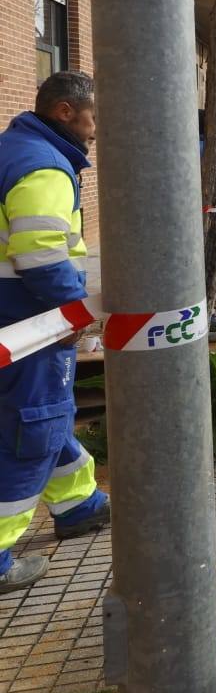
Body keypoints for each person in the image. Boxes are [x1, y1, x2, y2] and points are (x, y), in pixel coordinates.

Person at [0, 71, 110, 594]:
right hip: (29, 322)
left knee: (46, 419)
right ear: (65, 112)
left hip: (17, 322)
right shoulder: (45, 167)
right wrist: (74, 315)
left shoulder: (17, 150)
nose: (96, 127)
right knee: (34, 427)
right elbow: (42, 257)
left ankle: (76, 505)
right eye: (92, 115)